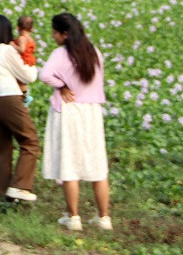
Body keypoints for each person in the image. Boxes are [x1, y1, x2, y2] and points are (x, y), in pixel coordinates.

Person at [40, 13, 111, 232]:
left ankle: (74, 217)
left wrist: (61, 85)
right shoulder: (94, 52)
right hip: (92, 111)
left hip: (70, 110)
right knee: (97, 164)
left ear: (65, 34)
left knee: (69, 164)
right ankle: (104, 218)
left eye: (55, 32)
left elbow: (44, 75)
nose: (53, 36)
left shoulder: (61, 53)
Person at [0, 15, 39, 205]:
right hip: (8, 100)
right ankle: (19, 186)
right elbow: (28, 76)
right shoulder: (5, 50)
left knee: (2, 150)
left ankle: (6, 195)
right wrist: (30, 60)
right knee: (30, 141)